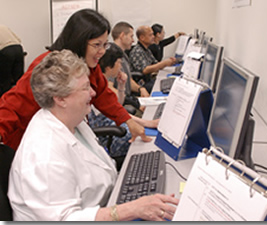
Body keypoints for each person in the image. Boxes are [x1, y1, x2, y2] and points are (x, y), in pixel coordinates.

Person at [8, 49, 178, 221]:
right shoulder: (44, 154)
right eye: (84, 88)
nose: (93, 93)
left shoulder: (73, 120)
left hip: (106, 203)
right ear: (60, 98)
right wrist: (130, 209)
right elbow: (65, 219)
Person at [0, 9, 151, 150]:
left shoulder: (88, 64)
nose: (102, 52)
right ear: (79, 41)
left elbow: (104, 95)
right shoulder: (50, 66)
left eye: (105, 45)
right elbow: (14, 105)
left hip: (66, 138)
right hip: (33, 144)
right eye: (97, 45)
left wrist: (128, 120)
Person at [88, 43, 159, 161]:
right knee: (144, 138)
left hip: (113, 126)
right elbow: (115, 113)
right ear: (108, 67)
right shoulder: (97, 87)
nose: (121, 67)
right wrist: (146, 123)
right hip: (107, 136)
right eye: (119, 63)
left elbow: (118, 106)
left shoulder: (103, 82)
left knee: (143, 132)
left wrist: (121, 85)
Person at [111, 21, 149, 114]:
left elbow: (128, 80)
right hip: (122, 104)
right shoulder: (111, 57)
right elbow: (109, 88)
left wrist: (140, 89)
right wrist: (135, 104)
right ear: (122, 35)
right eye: (131, 36)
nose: (133, 41)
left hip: (128, 98)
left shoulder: (123, 55)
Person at [129, 25, 176, 93]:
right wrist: (164, 63)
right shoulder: (137, 51)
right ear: (142, 37)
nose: (153, 37)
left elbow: (155, 63)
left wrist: (168, 62)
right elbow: (145, 70)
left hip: (149, 79)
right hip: (141, 83)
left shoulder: (146, 49)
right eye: (150, 35)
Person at [0, 24, 25, 97]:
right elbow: (19, 39)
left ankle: (4, 103)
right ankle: (21, 99)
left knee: (4, 82)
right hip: (18, 48)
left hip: (6, 51)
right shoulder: (3, 26)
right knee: (19, 79)